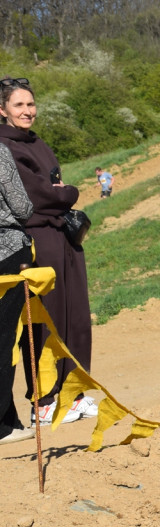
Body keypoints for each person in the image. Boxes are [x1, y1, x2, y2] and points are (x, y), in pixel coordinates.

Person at [0, 77, 96, 425]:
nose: (27, 111)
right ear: (3, 110)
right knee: (45, 320)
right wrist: (67, 192)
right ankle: (44, 399)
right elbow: (36, 197)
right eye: (18, 105)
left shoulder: (36, 142)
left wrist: (57, 191)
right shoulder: (4, 145)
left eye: (31, 104)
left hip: (62, 237)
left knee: (76, 316)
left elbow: (50, 187)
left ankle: (74, 392)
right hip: (35, 239)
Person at [0, 138, 34, 444]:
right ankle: (2, 424)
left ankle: (9, 421)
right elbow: (22, 207)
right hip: (5, 252)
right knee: (4, 338)